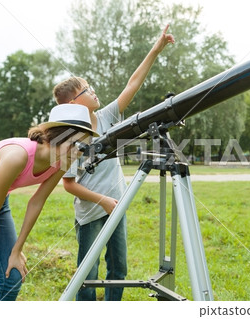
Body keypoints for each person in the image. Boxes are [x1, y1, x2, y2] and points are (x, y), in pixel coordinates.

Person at [54, 24, 175, 301]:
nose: (93, 91)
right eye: (87, 89)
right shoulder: (69, 137)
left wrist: (156, 50)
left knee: (118, 268)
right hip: (91, 213)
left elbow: (132, 83)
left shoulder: (107, 117)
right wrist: (102, 201)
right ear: (74, 102)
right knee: (88, 271)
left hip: (116, 205)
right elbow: (69, 185)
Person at [0, 104, 98, 301]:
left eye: (84, 146)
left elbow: (37, 201)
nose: (78, 153)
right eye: (74, 144)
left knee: (13, 278)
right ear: (56, 136)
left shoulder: (64, 158)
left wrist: (17, 249)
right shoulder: (17, 156)